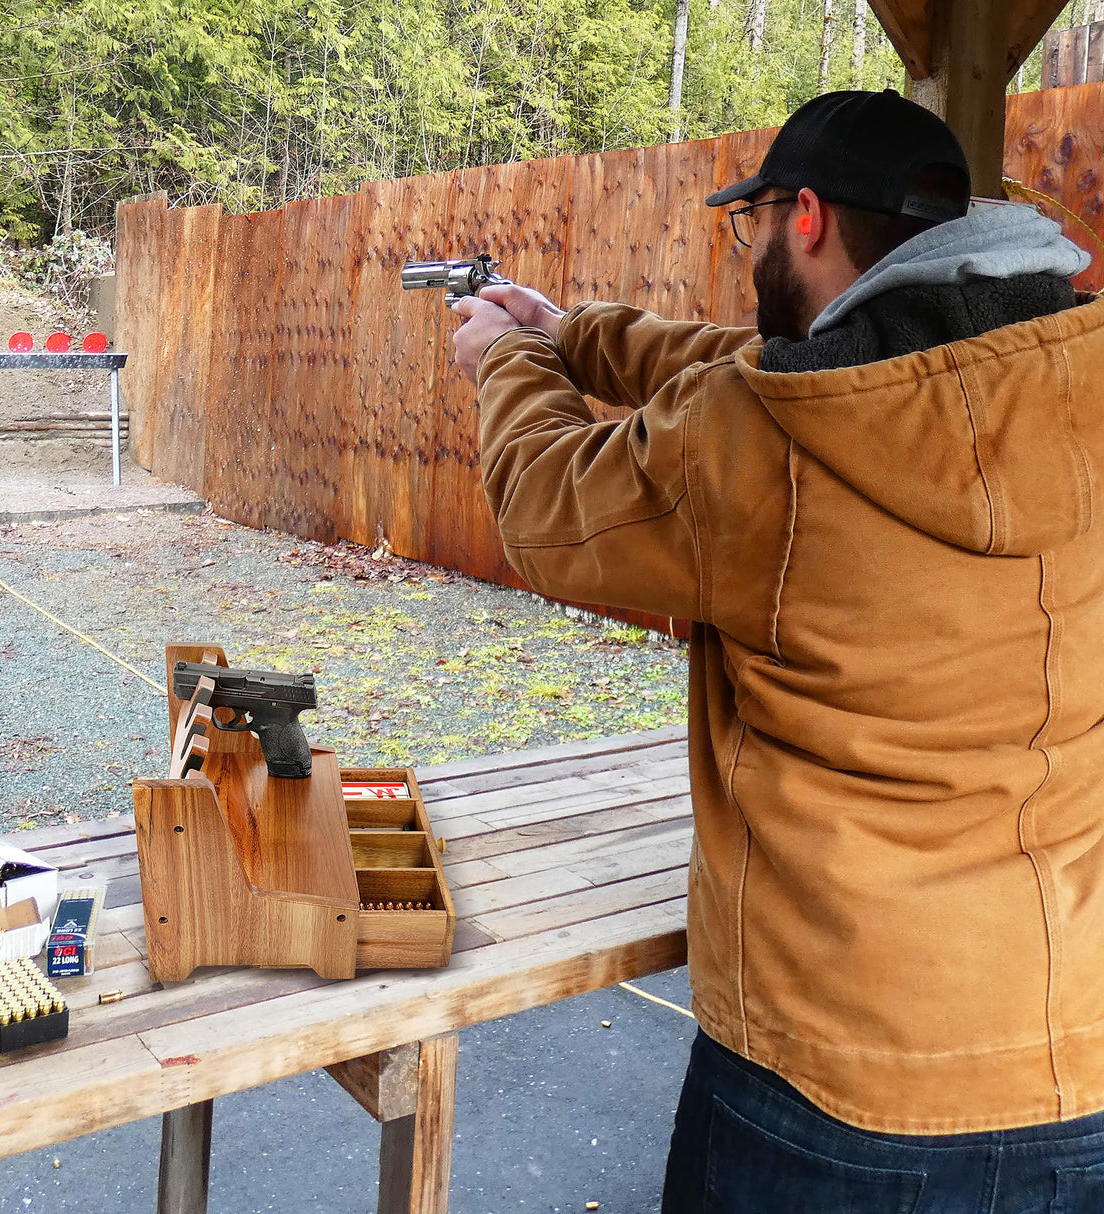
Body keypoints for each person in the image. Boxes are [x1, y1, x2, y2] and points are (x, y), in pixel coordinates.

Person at [449, 89, 1104, 1212]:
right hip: (1074, 1050)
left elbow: (550, 505)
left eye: (751, 223)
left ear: (804, 216)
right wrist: (569, 330)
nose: (751, 244)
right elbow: (786, 363)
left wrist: (505, 362)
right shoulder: (1061, 382)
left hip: (835, 1071)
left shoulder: (761, 439)